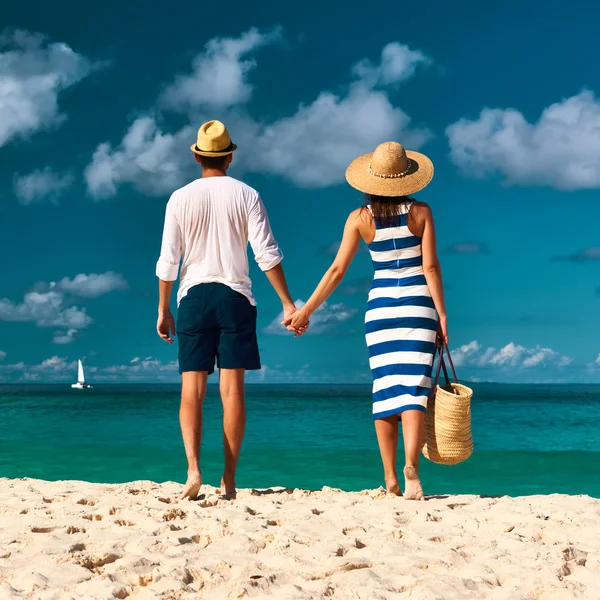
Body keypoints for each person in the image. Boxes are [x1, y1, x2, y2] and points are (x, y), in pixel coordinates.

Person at [285, 141, 448, 500]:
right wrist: (443, 315)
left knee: (386, 388)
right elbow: (431, 267)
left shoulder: (360, 220)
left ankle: (389, 475)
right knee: (415, 390)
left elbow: (337, 270)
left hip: (380, 312)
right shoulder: (421, 212)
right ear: (407, 178)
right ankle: (412, 471)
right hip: (418, 307)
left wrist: (306, 310)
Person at [156, 120, 298, 499]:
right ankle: (229, 480)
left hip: (194, 298)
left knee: (192, 391)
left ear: (197, 156)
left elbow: (169, 260)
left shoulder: (180, 198)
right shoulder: (247, 194)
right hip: (235, 298)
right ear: (230, 156)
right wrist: (287, 302)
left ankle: (192, 471)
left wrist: (163, 308)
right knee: (232, 393)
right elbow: (266, 253)